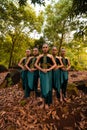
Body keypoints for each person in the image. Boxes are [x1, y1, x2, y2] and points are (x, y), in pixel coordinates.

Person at [35, 43, 56, 109]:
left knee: (48, 87)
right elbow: (36, 64)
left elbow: (55, 64)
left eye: (46, 47)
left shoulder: (50, 56)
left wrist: (48, 69)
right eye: (43, 47)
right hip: (42, 73)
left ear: (48, 48)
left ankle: (47, 103)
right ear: (42, 48)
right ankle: (43, 102)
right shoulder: (40, 56)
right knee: (43, 87)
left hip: (49, 73)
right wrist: (41, 69)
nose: (45, 48)